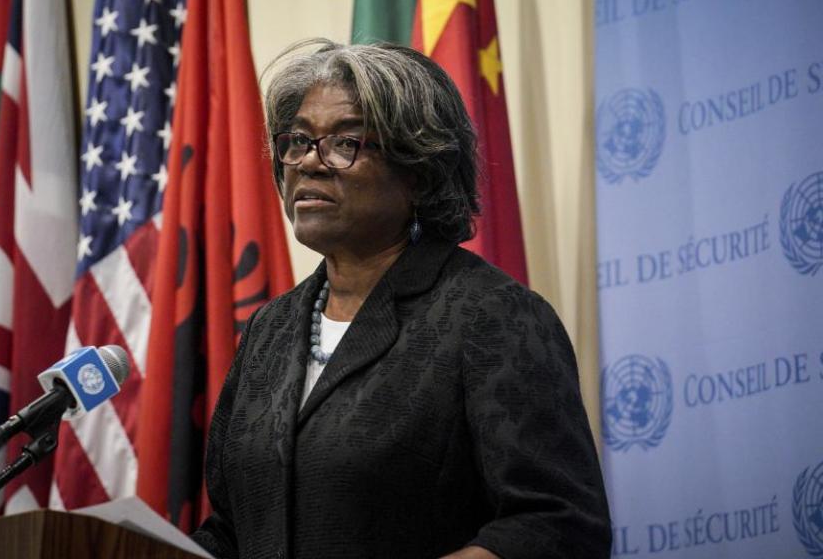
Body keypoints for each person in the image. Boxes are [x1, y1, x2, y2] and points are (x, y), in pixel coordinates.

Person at [191, 39, 611, 559]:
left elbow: (559, 526)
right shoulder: (268, 331)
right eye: (297, 141)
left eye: (344, 142)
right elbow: (233, 530)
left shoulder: (490, 315)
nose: (308, 163)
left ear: (419, 169)